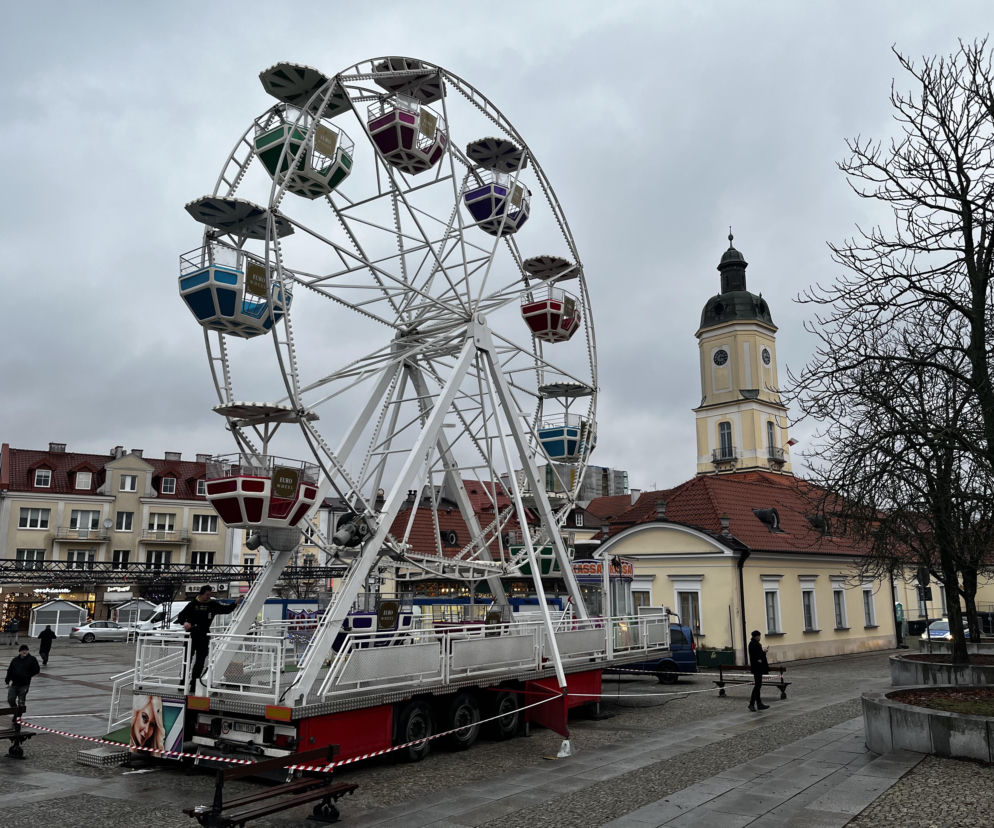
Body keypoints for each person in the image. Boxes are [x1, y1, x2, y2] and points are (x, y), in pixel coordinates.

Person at [177, 586, 240, 693]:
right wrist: (185, 623)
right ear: (201, 594)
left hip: (204, 636)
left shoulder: (212, 604)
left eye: (210, 594)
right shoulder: (192, 604)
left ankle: (194, 683)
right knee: (187, 659)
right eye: (207, 594)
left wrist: (235, 603)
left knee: (200, 661)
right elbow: (181, 616)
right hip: (191, 635)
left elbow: (226, 610)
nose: (209, 596)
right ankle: (183, 682)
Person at [5, 644, 41, 710]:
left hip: (25, 684)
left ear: (27, 651)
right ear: (20, 652)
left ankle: (18, 716)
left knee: (21, 702)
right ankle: (15, 712)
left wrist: (28, 675)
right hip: (14, 683)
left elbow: (37, 670)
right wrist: (7, 680)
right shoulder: (15, 660)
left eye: (26, 650)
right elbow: (10, 670)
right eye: (22, 650)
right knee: (10, 699)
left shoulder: (32, 659)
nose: (24, 652)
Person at [748, 629, 770, 711]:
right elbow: (755, 656)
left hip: (757, 667)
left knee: (758, 686)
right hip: (757, 668)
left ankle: (759, 703)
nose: (760, 637)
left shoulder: (754, 644)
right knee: (757, 686)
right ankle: (751, 704)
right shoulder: (754, 644)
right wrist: (760, 657)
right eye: (759, 636)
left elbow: (758, 654)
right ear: (756, 636)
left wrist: (763, 652)